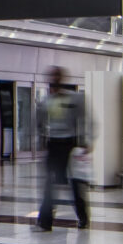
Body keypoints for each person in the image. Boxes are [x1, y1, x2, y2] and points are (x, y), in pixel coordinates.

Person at [33, 67, 90, 231]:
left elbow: (85, 119)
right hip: (54, 144)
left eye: (57, 76)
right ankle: (45, 221)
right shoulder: (46, 102)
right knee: (49, 183)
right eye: (52, 76)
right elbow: (39, 122)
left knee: (74, 183)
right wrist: (41, 140)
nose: (55, 79)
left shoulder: (74, 99)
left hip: (69, 144)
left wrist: (85, 140)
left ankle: (83, 217)